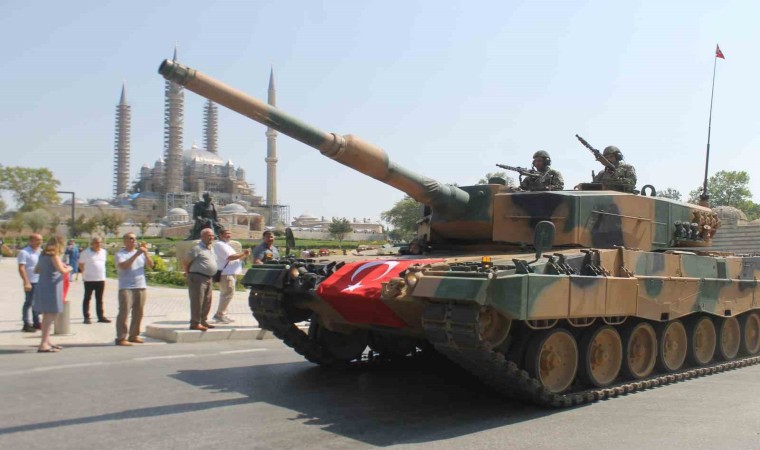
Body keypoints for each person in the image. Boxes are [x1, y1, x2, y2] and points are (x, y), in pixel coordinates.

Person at [114, 232, 154, 346]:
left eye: (135, 239)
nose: (133, 241)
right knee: (124, 312)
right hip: (126, 287)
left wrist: (146, 253)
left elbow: (151, 265)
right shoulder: (120, 254)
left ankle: (134, 335)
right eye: (131, 239)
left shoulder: (141, 254)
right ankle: (121, 337)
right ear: (125, 241)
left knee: (138, 312)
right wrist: (137, 254)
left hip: (140, 286)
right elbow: (124, 266)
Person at [33, 236, 72, 352]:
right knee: (50, 315)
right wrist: (69, 268)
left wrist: (49, 269)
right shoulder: (54, 255)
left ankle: (47, 340)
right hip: (52, 286)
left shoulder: (43, 255)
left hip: (43, 285)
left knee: (47, 315)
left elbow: (36, 270)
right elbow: (62, 270)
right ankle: (43, 344)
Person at [212, 228, 250, 323]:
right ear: (220, 235)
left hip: (230, 273)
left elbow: (236, 258)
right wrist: (243, 253)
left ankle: (222, 314)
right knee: (227, 294)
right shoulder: (220, 245)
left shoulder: (226, 245)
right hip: (226, 274)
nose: (229, 235)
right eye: (226, 234)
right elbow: (230, 257)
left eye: (229, 233)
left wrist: (244, 255)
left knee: (227, 294)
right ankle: (220, 315)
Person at [183, 228, 218, 331]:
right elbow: (185, 261)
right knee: (197, 301)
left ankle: (203, 321)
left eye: (212, 235)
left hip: (208, 278)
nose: (211, 237)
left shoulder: (211, 248)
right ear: (202, 237)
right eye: (209, 235)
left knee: (207, 301)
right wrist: (188, 273)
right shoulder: (197, 248)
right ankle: (195, 323)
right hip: (198, 277)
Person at [79, 237, 111, 324]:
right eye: (96, 242)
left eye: (100, 242)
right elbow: (81, 264)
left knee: (99, 299)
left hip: (100, 279)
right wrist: (85, 273)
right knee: (87, 298)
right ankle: (86, 317)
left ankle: (100, 316)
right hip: (89, 279)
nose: (98, 244)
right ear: (92, 244)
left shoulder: (103, 252)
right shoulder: (86, 253)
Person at [18, 233, 43, 332]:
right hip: (31, 281)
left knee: (37, 303)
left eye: (41, 240)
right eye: (37, 240)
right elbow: (21, 268)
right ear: (31, 241)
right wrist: (26, 282)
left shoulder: (41, 252)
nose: (40, 242)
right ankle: (26, 323)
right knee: (29, 302)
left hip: (40, 281)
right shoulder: (24, 252)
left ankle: (36, 322)